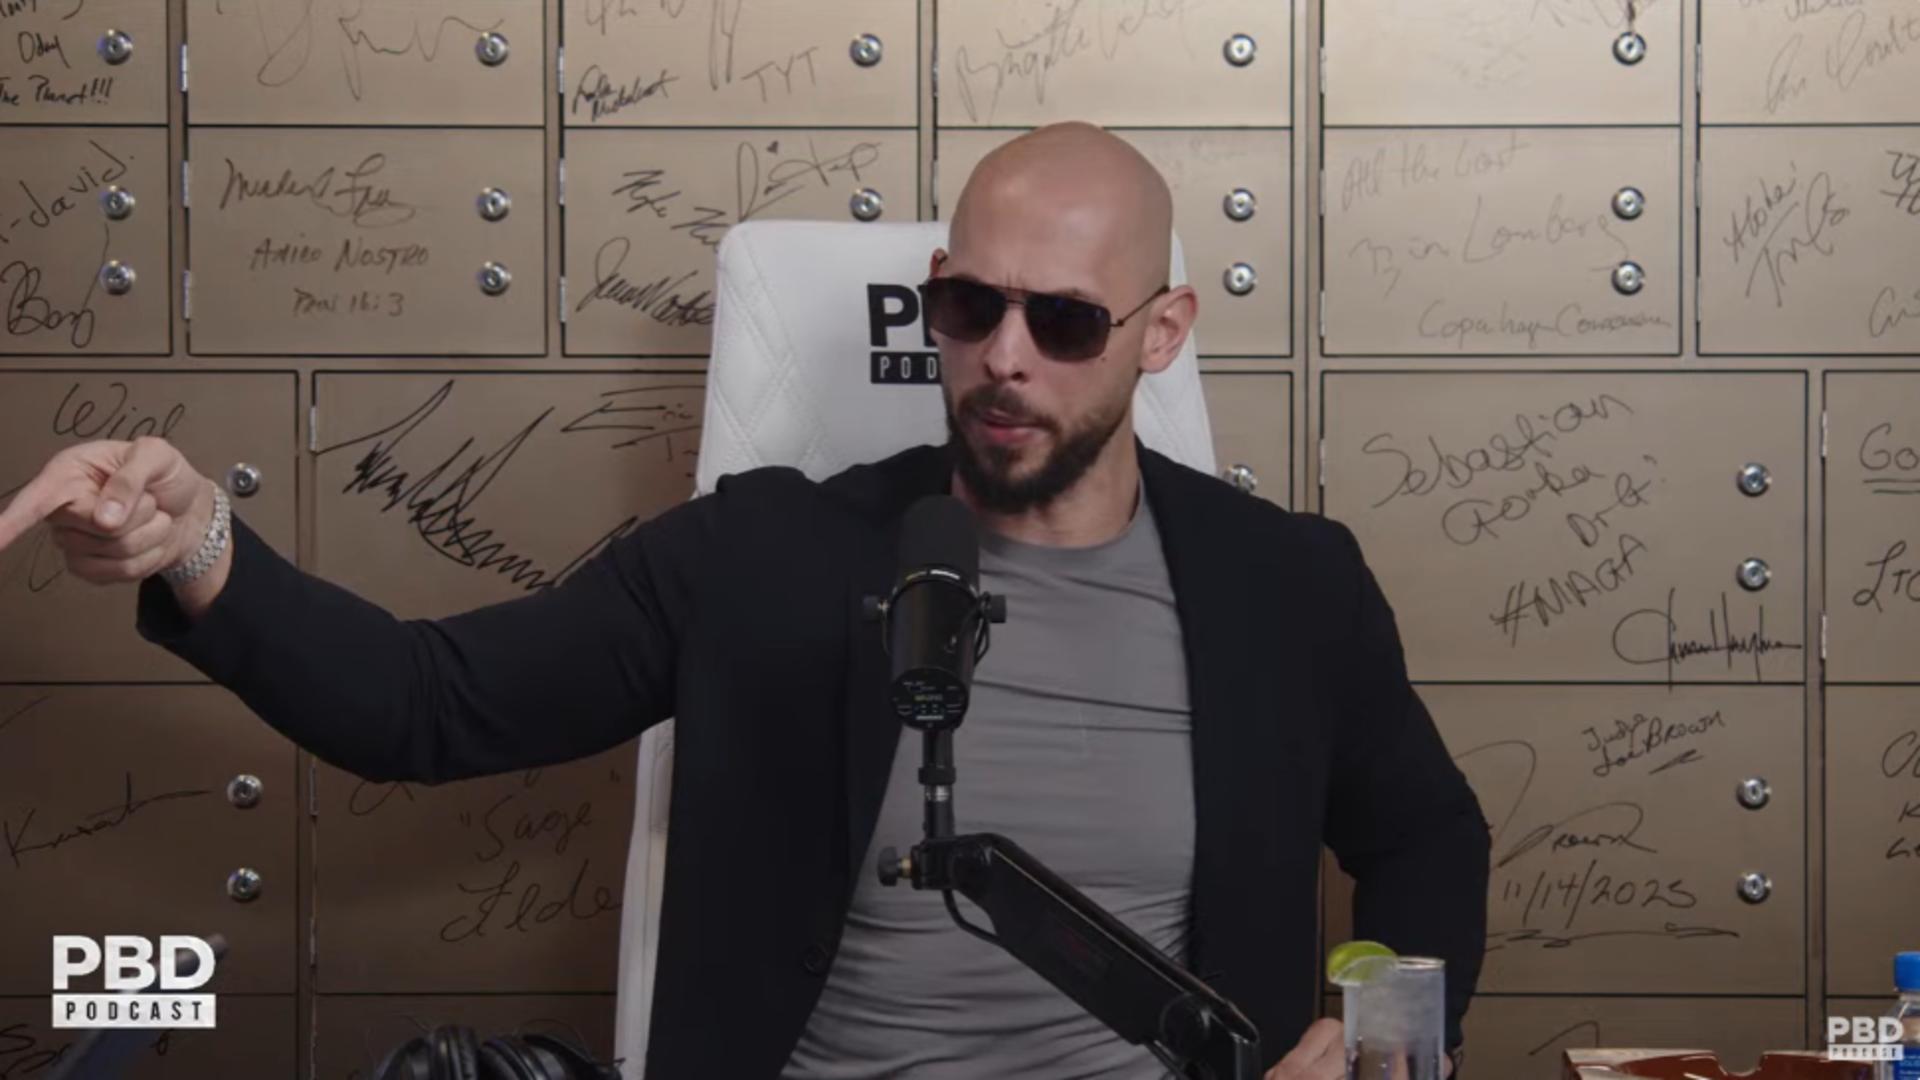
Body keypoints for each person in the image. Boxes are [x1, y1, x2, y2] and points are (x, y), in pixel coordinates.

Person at [0, 122, 1490, 1079]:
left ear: (1162, 334)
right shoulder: (766, 554)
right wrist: (197, 546)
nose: (1005, 356)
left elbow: (1428, 837)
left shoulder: (1290, 587)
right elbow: (425, 705)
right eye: (970, 306)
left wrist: (1376, 1032)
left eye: (1066, 320)